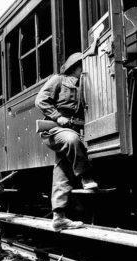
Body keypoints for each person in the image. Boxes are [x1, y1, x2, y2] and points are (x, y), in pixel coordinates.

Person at [35, 52, 98, 232]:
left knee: (61, 170)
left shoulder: (83, 85)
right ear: (75, 67)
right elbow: (40, 101)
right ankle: (85, 176)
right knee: (71, 140)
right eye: (81, 66)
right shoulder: (58, 80)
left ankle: (59, 217)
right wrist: (58, 116)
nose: (84, 70)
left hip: (74, 129)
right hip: (54, 129)